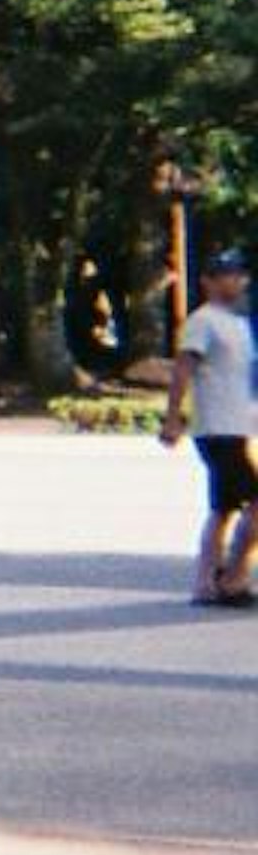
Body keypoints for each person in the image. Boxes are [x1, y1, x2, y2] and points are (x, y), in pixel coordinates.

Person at [160, 247, 258, 606]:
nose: (238, 280)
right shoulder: (203, 321)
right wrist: (173, 416)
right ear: (209, 281)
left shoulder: (239, 324)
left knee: (224, 506)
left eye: (240, 274)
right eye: (228, 274)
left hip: (236, 426)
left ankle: (209, 581)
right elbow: (183, 368)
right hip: (216, 427)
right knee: (244, 502)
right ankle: (230, 577)